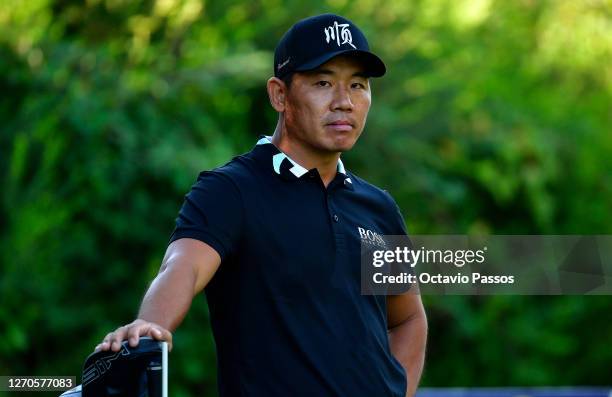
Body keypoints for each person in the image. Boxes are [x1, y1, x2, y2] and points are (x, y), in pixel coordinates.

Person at [95, 13, 427, 397]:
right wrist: (150, 324)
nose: (345, 102)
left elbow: (408, 319)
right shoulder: (231, 190)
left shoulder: (379, 207)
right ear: (279, 94)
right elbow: (182, 266)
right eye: (323, 83)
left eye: (358, 85)